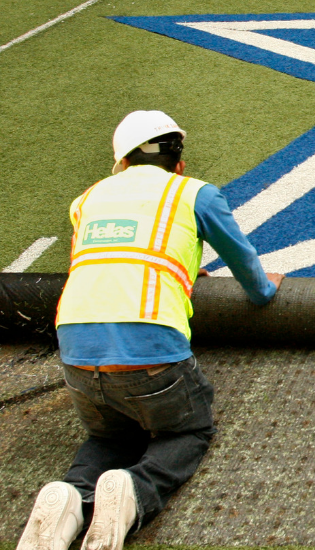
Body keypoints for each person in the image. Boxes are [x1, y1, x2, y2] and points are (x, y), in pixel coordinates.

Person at [17, 111, 283, 550]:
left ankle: (71, 495)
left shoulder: (86, 200)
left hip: (76, 352)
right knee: (188, 431)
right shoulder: (194, 193)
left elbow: (117, 258)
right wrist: (265, 289)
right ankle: (135, 491)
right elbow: (251, 278)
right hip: (151, 352)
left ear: (121, 163)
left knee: (111, 434)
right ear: (179, 163)